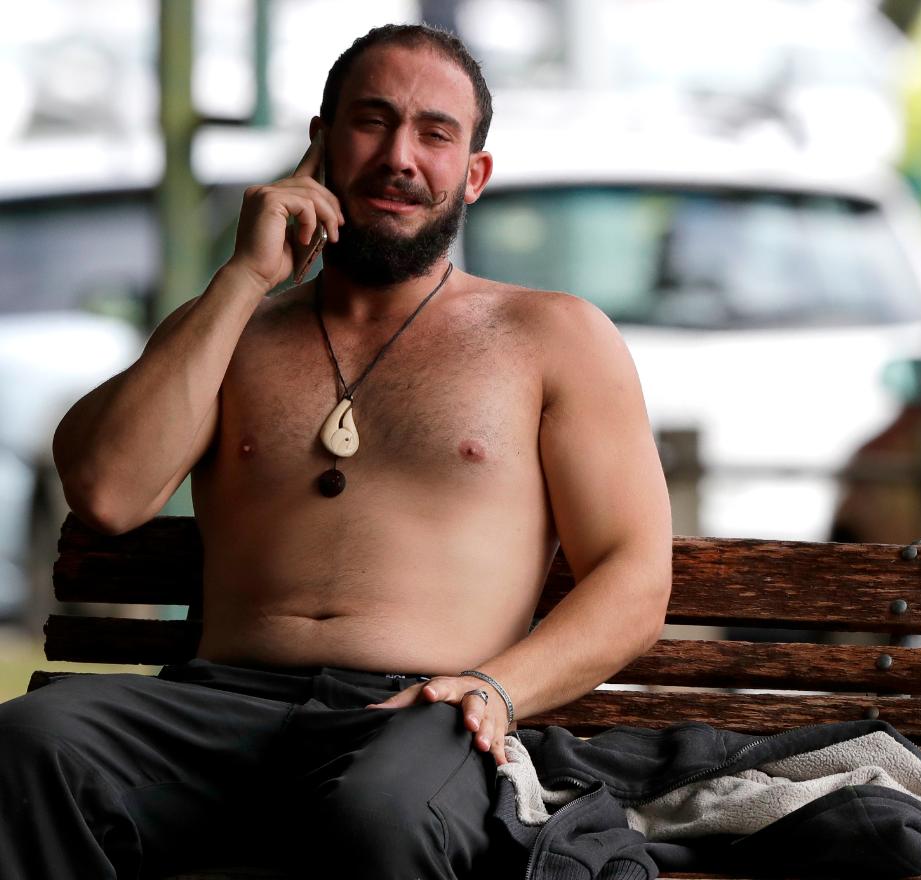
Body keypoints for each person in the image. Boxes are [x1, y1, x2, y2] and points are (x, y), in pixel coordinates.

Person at [0, 23, 672, 880]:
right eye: (371, 121)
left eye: (435, 133)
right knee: (29, 745)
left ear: (474, 176)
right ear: (317, 145)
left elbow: (635, 577)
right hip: (214, 711)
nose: (400, 155)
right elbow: (106, 492)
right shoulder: (232, 330)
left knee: (380, 813)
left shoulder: (551, 335)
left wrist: (497, 691)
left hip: (420, 717)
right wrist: (241, 280)